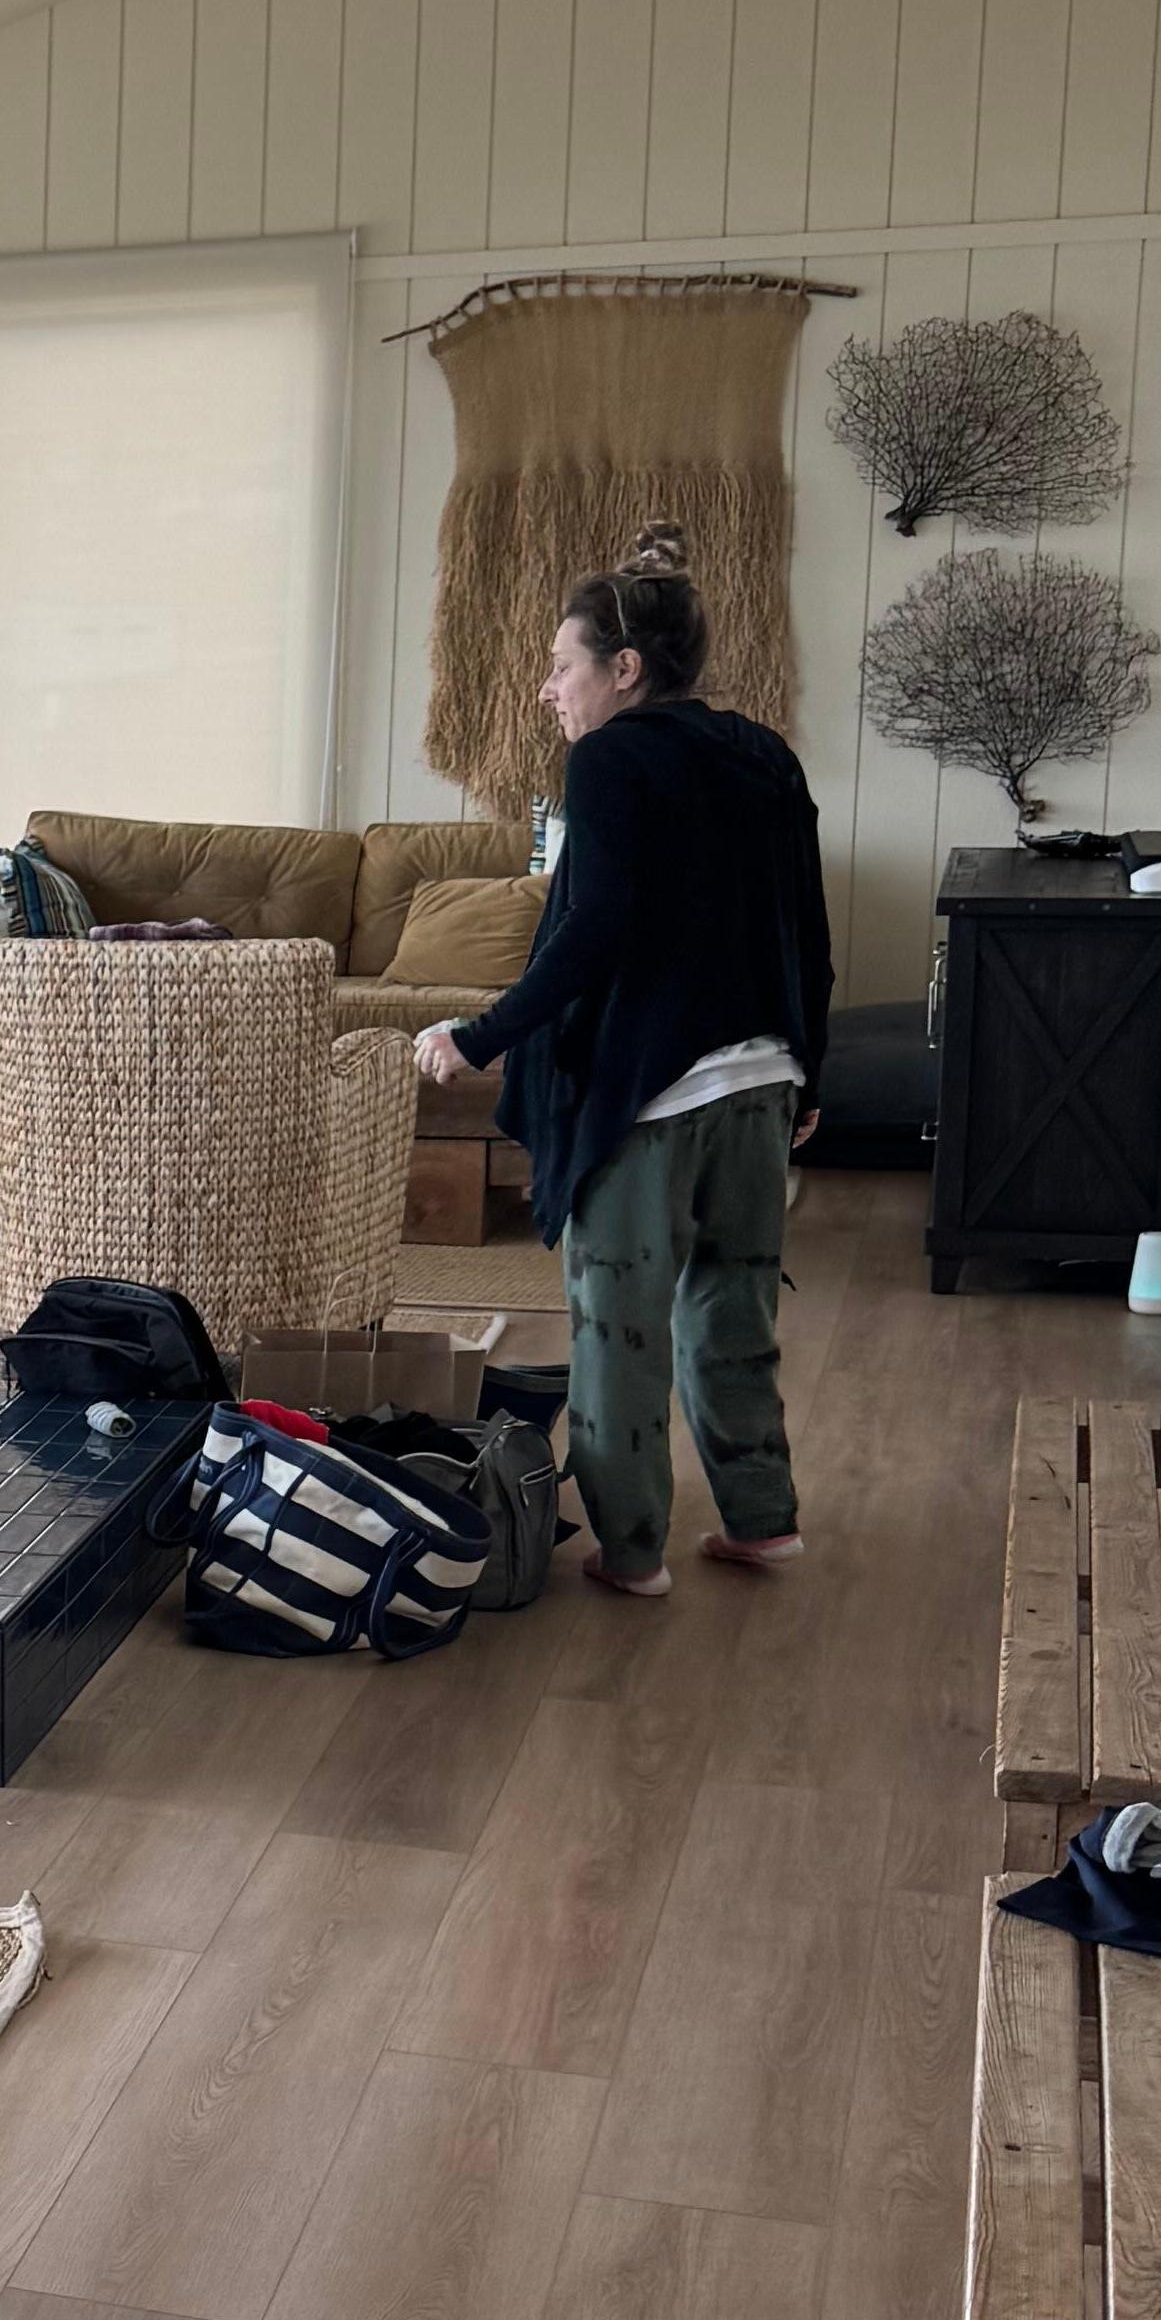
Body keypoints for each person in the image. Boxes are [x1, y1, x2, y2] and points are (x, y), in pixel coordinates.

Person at [413, 553, 828, 1602]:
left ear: (626, 668)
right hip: (759, 1083)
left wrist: (482, 1033)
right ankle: (762, 1520)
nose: (550, 688)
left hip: (653, 1095)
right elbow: (806, 933)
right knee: (733, 1312)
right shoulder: (765, 755)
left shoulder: (611, 762)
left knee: (619, 1328)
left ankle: (632, 1548)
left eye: (563, 666)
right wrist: (807, 1074)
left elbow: (592, 927)